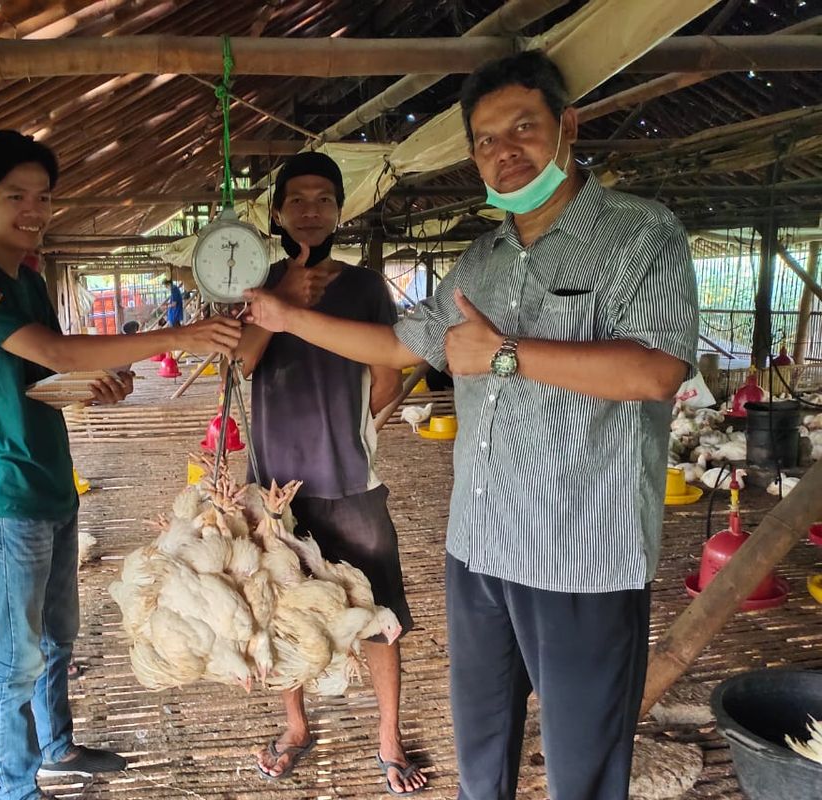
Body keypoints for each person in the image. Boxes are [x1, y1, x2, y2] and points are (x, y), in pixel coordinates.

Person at [244, 50, 699, 800]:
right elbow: (397, 344)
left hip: (578, 551)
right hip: (480, 548)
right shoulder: (480, 260)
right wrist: (285, 314)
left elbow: (656, 371)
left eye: (523, 126)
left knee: (581, 763)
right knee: (480, 748)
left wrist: (507, 356)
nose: (504, 150)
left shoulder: (639, 235)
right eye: (486, 139)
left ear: (568, 125)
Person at [0, 130, 242, 800]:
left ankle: (57, 747)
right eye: (16, 196)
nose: (34, 209)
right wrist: (182, 336)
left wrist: (101, 380)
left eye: (43, 197)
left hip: (49, 480)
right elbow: (55, 351)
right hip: (5, 489)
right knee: (16, 655)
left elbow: (43, 370)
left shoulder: (25, 281)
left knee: (56, 639)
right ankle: (17, 789)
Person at [240, 152, 426, 795]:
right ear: (277, 211)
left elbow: (388, 375)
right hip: (272, 487)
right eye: (298, 198)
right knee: (280, 608)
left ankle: (389, 736)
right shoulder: (255, 284)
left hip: (348, 479)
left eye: (324, 198)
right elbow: (239, 365)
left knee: (378, 611)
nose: (311, 209)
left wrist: (358, 431)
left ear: (340, 211)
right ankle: (295, 725)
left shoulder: (366, 286)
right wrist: (281, 301)